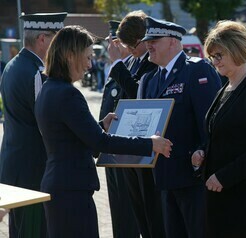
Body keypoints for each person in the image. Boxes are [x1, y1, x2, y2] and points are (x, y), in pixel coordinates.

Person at [34, 25, 172, 237]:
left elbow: (71, 137)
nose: (90, 65)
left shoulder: (49, 88)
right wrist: (149, 143)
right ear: (71, 56)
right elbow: (101, 143)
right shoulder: (67, 94)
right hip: (71, 190)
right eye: (87, 57)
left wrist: (99, 126)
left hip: (62, 186)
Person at [191, 20, 246, 238]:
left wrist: (224, 177)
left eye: (219, 55)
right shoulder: (226, 88)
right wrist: (202, 151)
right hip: (220, 192)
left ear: (236, 51)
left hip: (244, 195)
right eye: (212, 57)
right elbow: (217, 133)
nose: (215, 62)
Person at [139, 16, 222, 238]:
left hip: (191, 175)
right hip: (163, 176)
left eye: (155, 40)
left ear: (174, 42)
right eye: (148, 40)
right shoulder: (149, 80)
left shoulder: (197, 70)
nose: (149, 44)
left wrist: (202, 153)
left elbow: (210, 122)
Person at [0, 12, 67, 238]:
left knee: (20, 230)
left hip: (15, 163)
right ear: (42, 39)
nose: (59, 45)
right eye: (56, 38)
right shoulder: (37, 72)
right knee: (34, 230)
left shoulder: (13, 65)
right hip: (34, 167)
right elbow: (47, 124)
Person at [107, 11, 164, 238]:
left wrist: (118, 64)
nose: (129, 50)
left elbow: (139, 99)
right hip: (131, 146)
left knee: (151, 210)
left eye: (132, 45)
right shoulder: (133, 61)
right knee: (138, 209)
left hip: (148, 145)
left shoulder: (151, 64)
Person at [99, 20, 140, 238]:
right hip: (112, 149)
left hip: (127, 150)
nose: (112, 47)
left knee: (127, 212)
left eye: (117, 42)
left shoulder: (130, 68)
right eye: (110, 42)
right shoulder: (118, 68)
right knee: (118, 211)